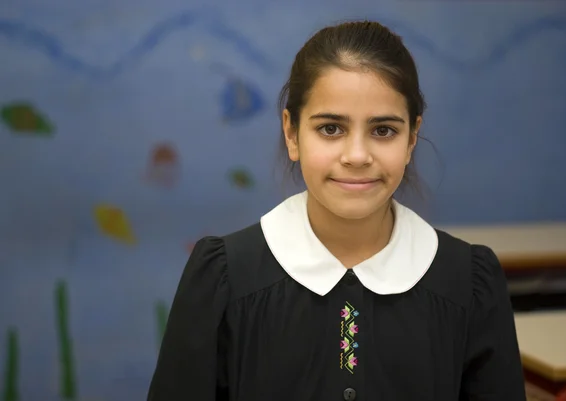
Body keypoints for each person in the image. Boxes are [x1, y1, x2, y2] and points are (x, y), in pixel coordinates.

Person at [147, 20, 527, 401]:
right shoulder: (224, 277)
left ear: (412, 138)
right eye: (330, 129)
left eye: (383, 131)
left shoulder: (467, 283)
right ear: (292, 133)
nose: (357, 156)